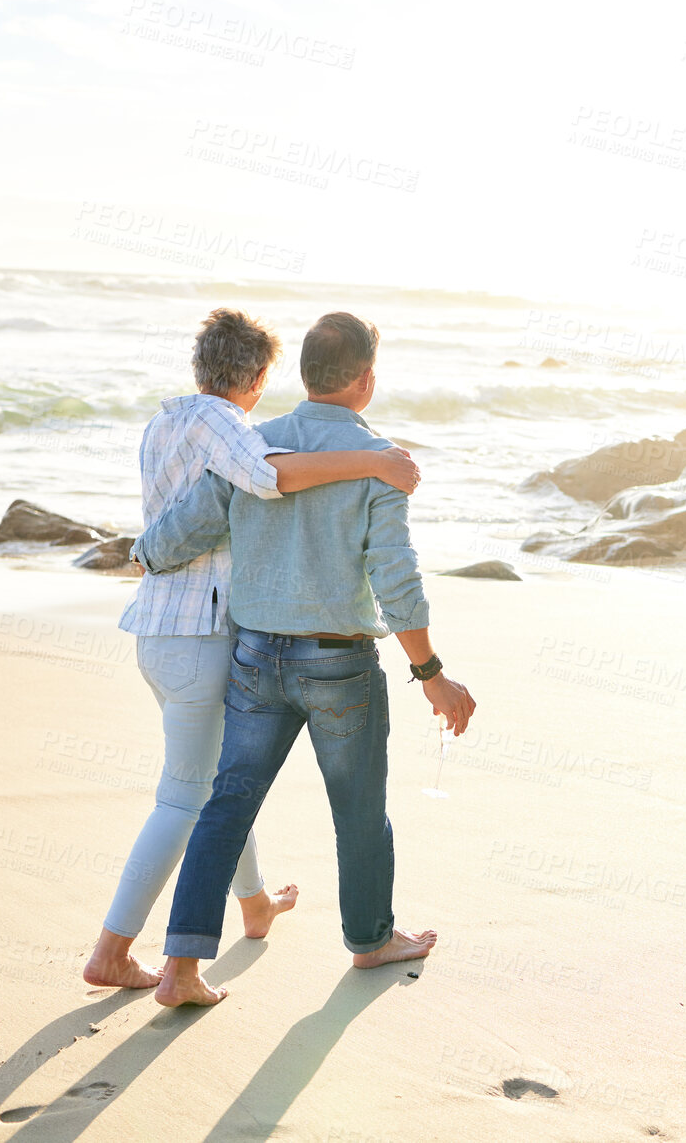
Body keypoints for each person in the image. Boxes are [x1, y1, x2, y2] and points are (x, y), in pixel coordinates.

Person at [128, 310, 475, 1007]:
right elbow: (394, 575)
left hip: (253, 656)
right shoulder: (383, 461)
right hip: (338, 664)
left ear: (304, 375)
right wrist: (432, 673)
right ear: (365, 381)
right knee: (357, 807)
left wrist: (143, 552)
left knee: (226, 804)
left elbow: (175, 536)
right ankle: (370, 938)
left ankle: (181, 967)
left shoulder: (255, 446)